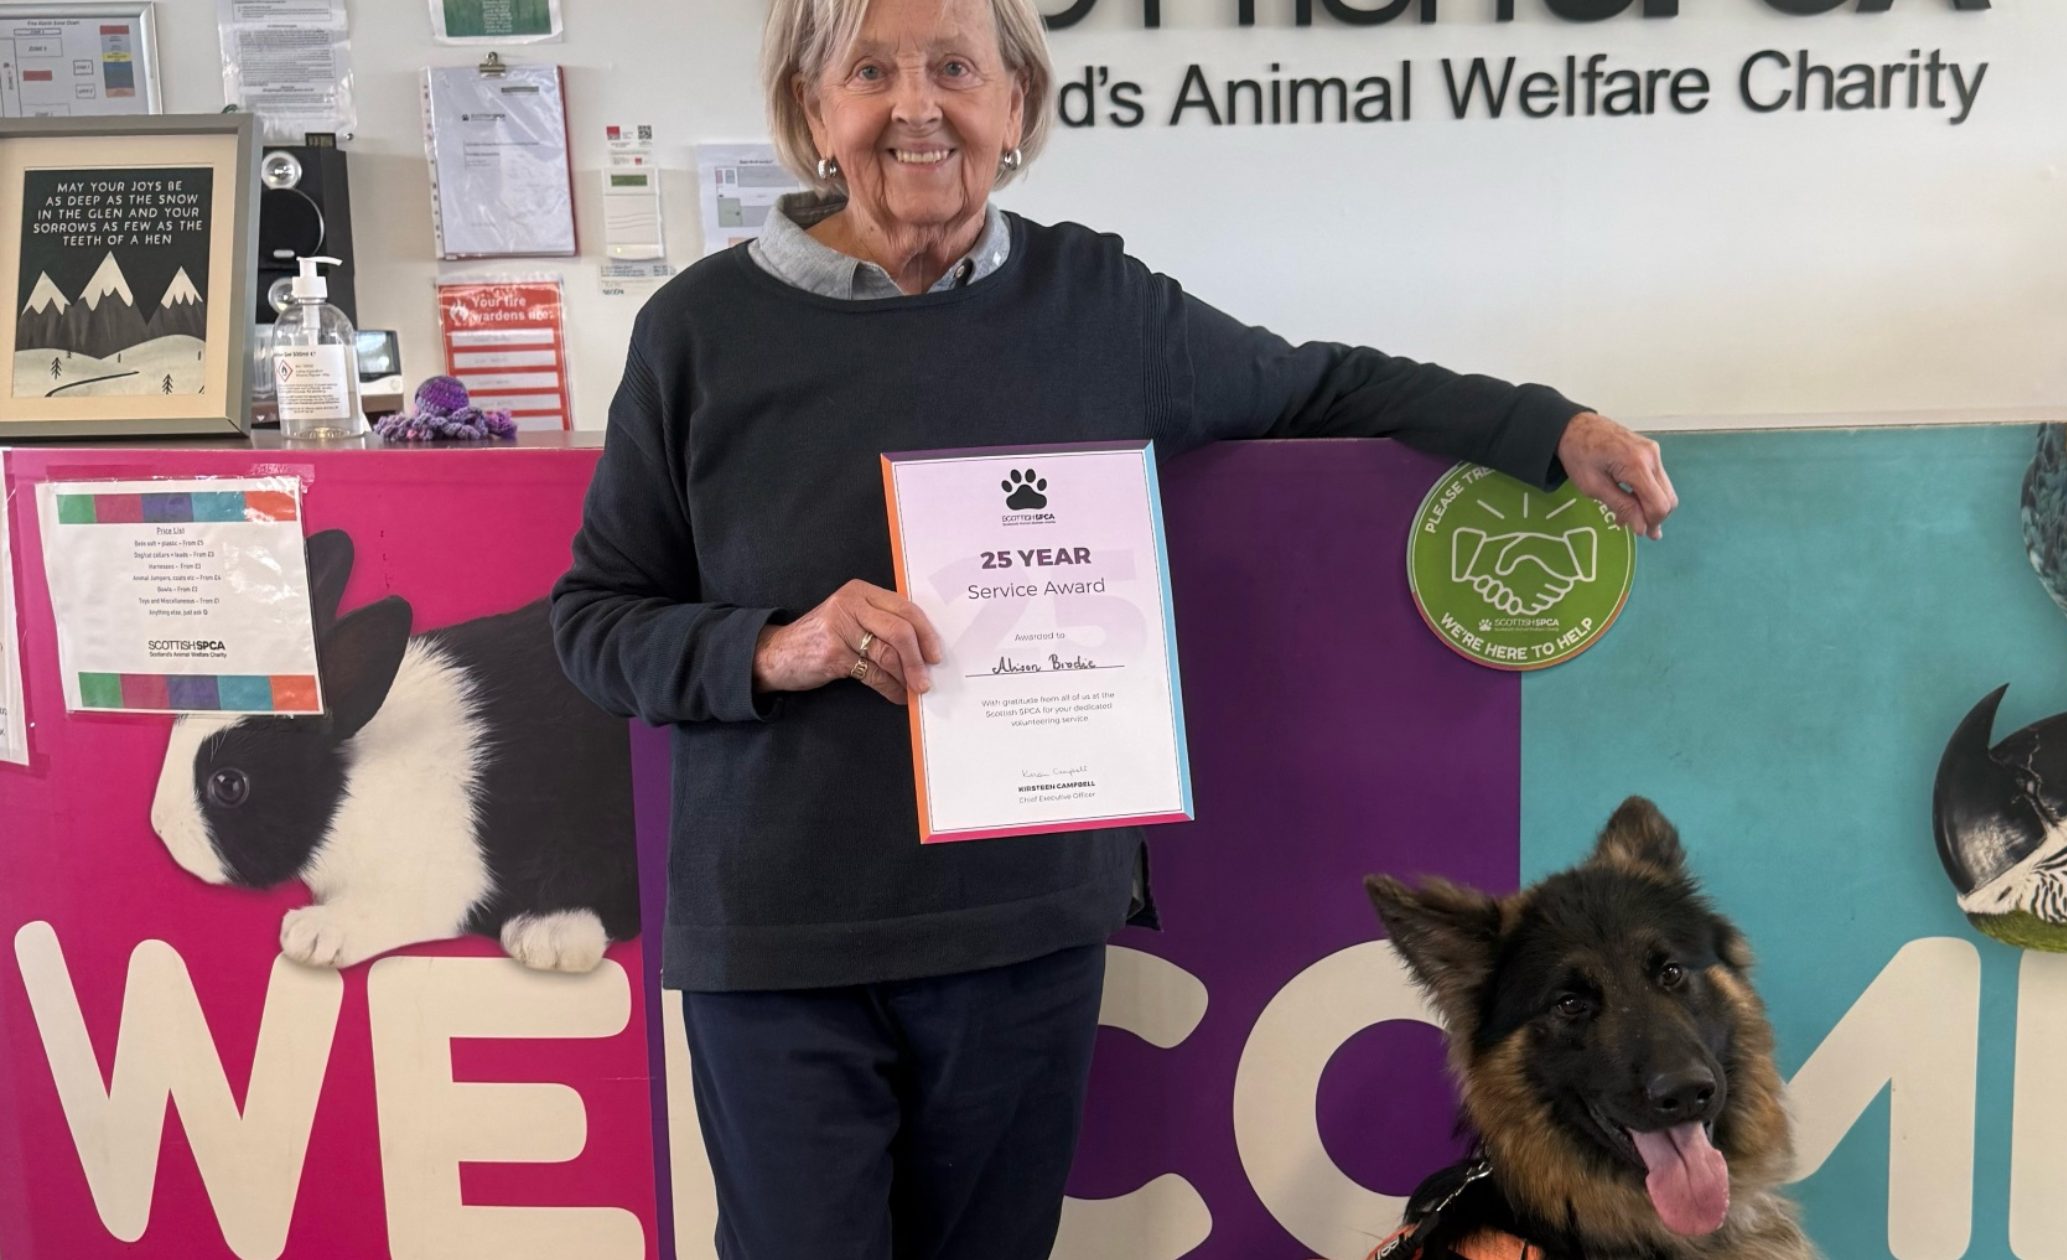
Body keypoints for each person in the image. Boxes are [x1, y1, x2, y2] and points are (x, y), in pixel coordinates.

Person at [548, 0, 1677, 1253]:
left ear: (1015, 105)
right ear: (813, 110)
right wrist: (772, 647)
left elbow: (1323, 382)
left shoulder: (1096, 304)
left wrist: (1547, 428)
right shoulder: (698, 333)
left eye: (956, 70)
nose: (916, 106)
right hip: (779, 942)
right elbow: (595, 621)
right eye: (869, 70)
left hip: (1018, 934)